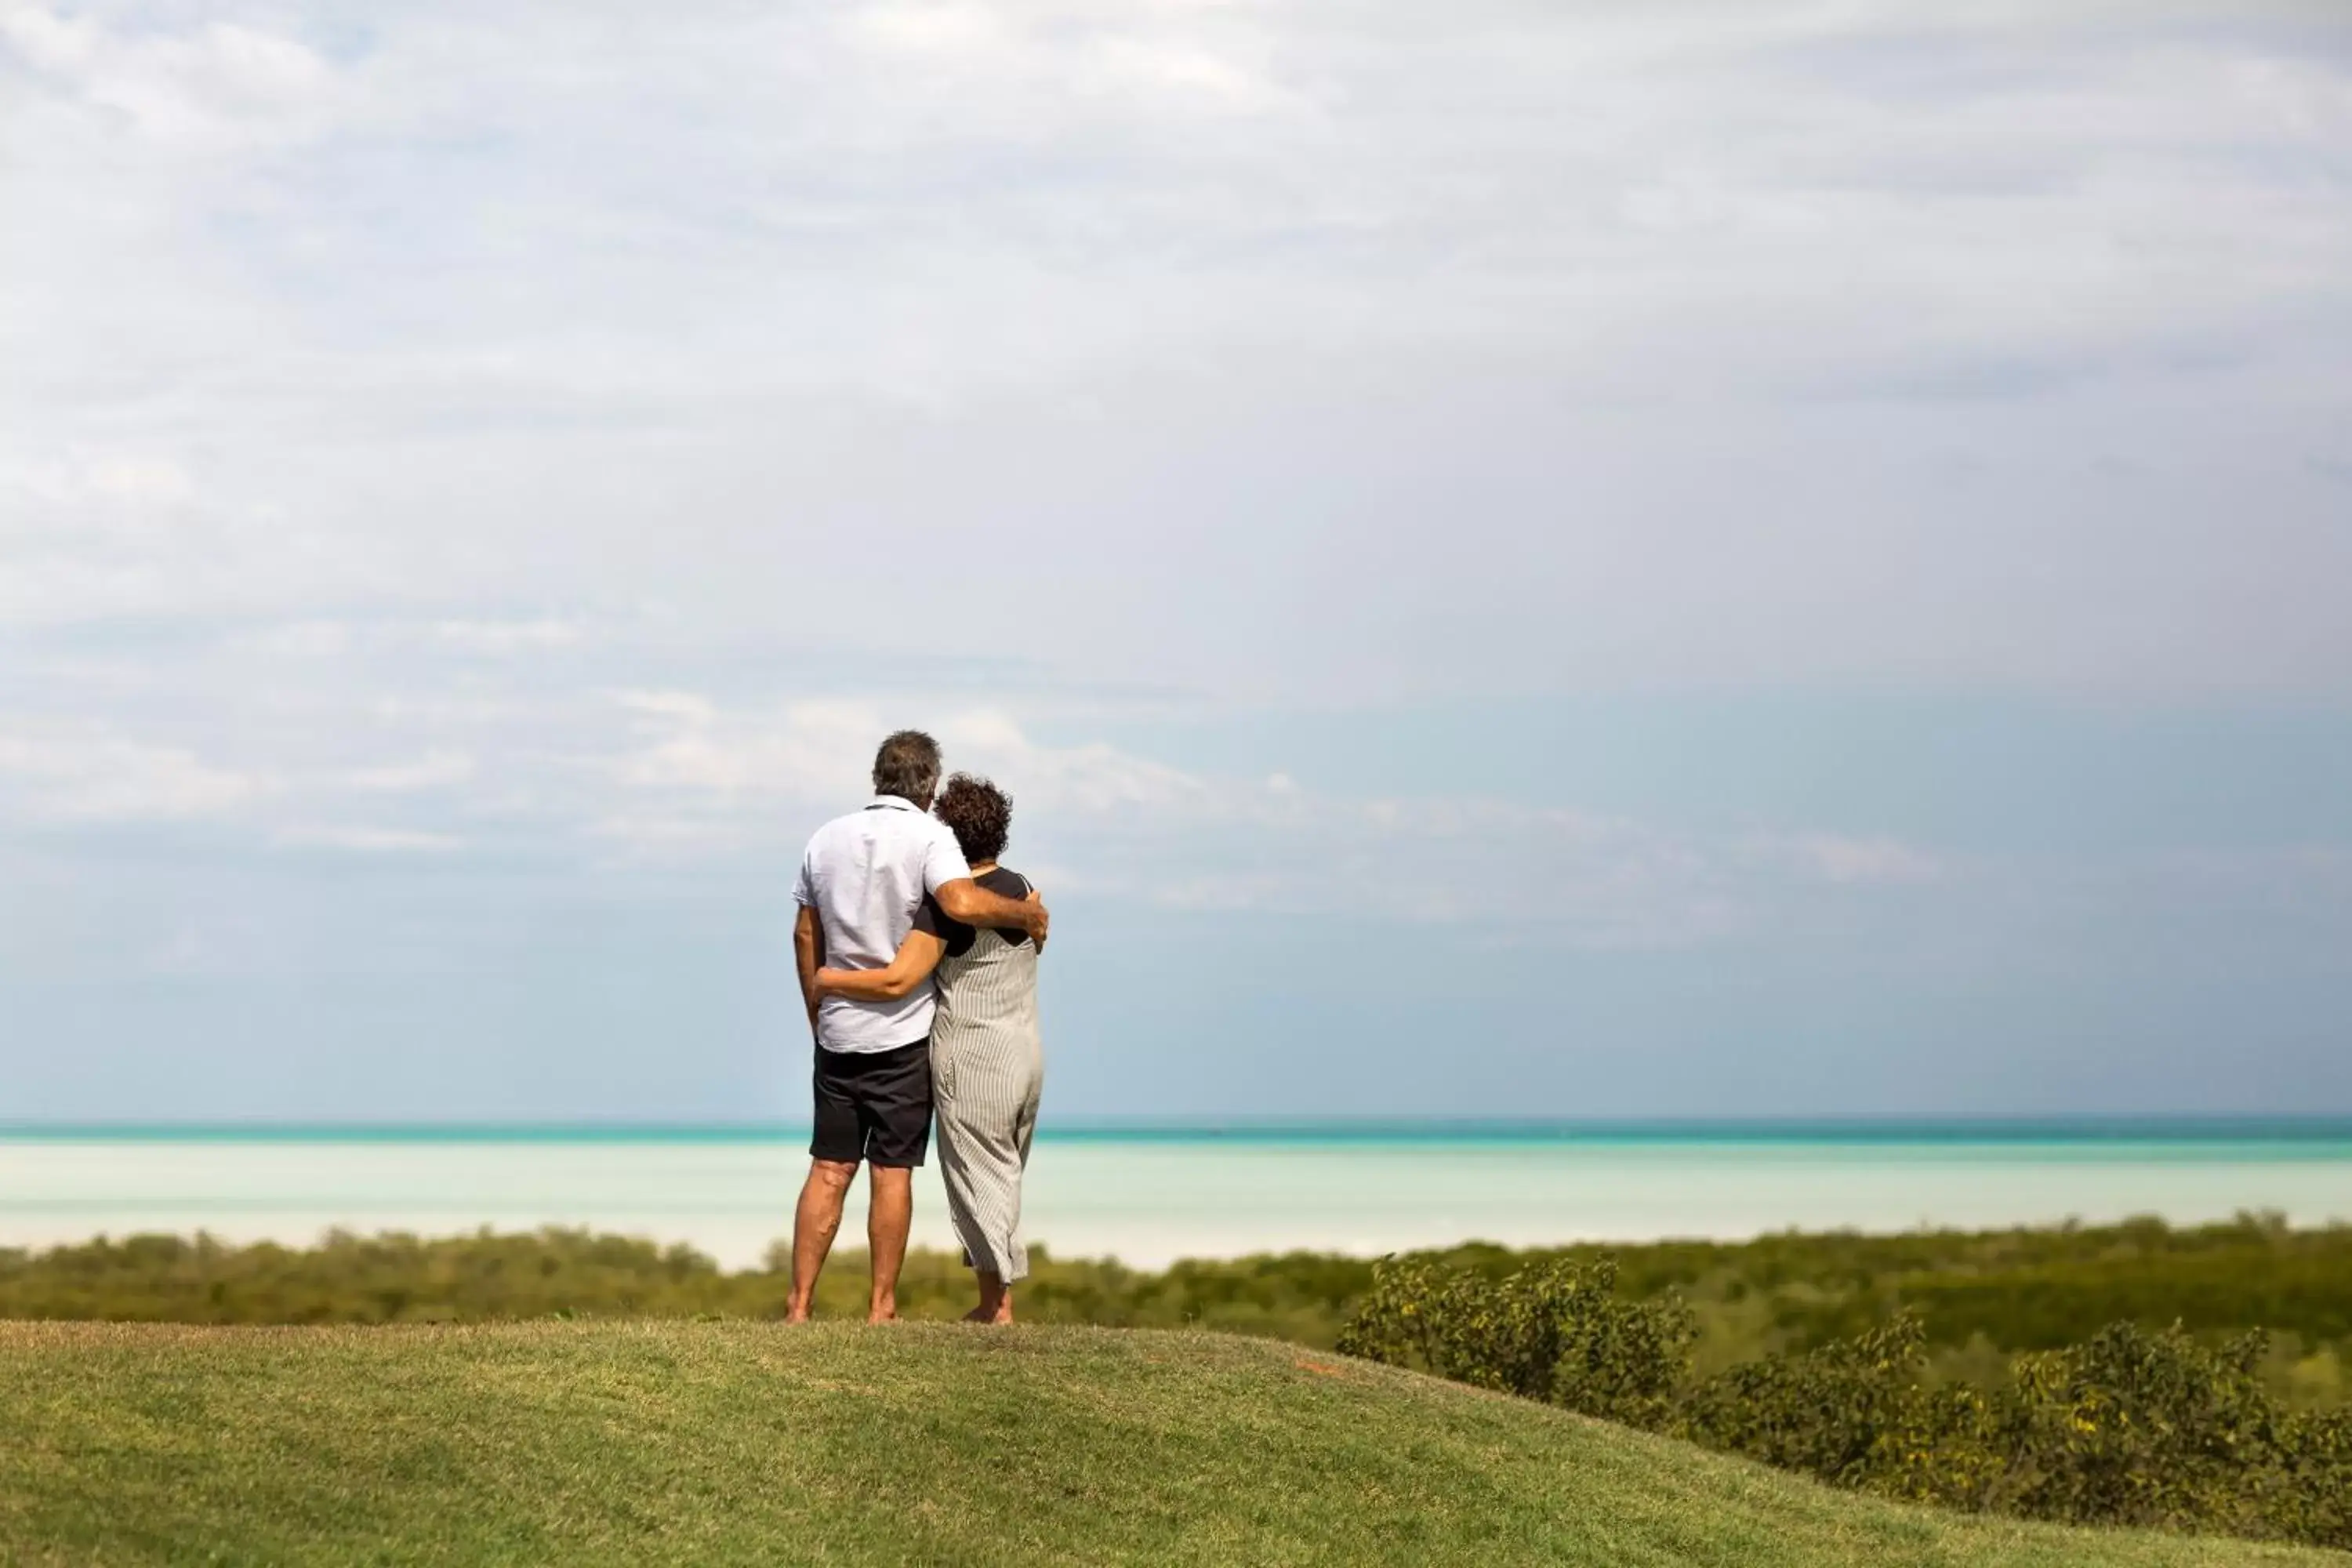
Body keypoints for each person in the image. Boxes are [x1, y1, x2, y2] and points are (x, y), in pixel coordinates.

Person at [786, 732, 1047, 1324]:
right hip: (903, 1039)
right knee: (891, 1172)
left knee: (828, 1169)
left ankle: (798, 1307)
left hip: (837, 1035)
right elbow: (961, 902)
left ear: (876, 775)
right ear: (930, 786)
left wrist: (817, 1004)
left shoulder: (824, 839)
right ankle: (882, 1309)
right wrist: (1025, 913)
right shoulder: (932, 838)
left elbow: (805, 933)